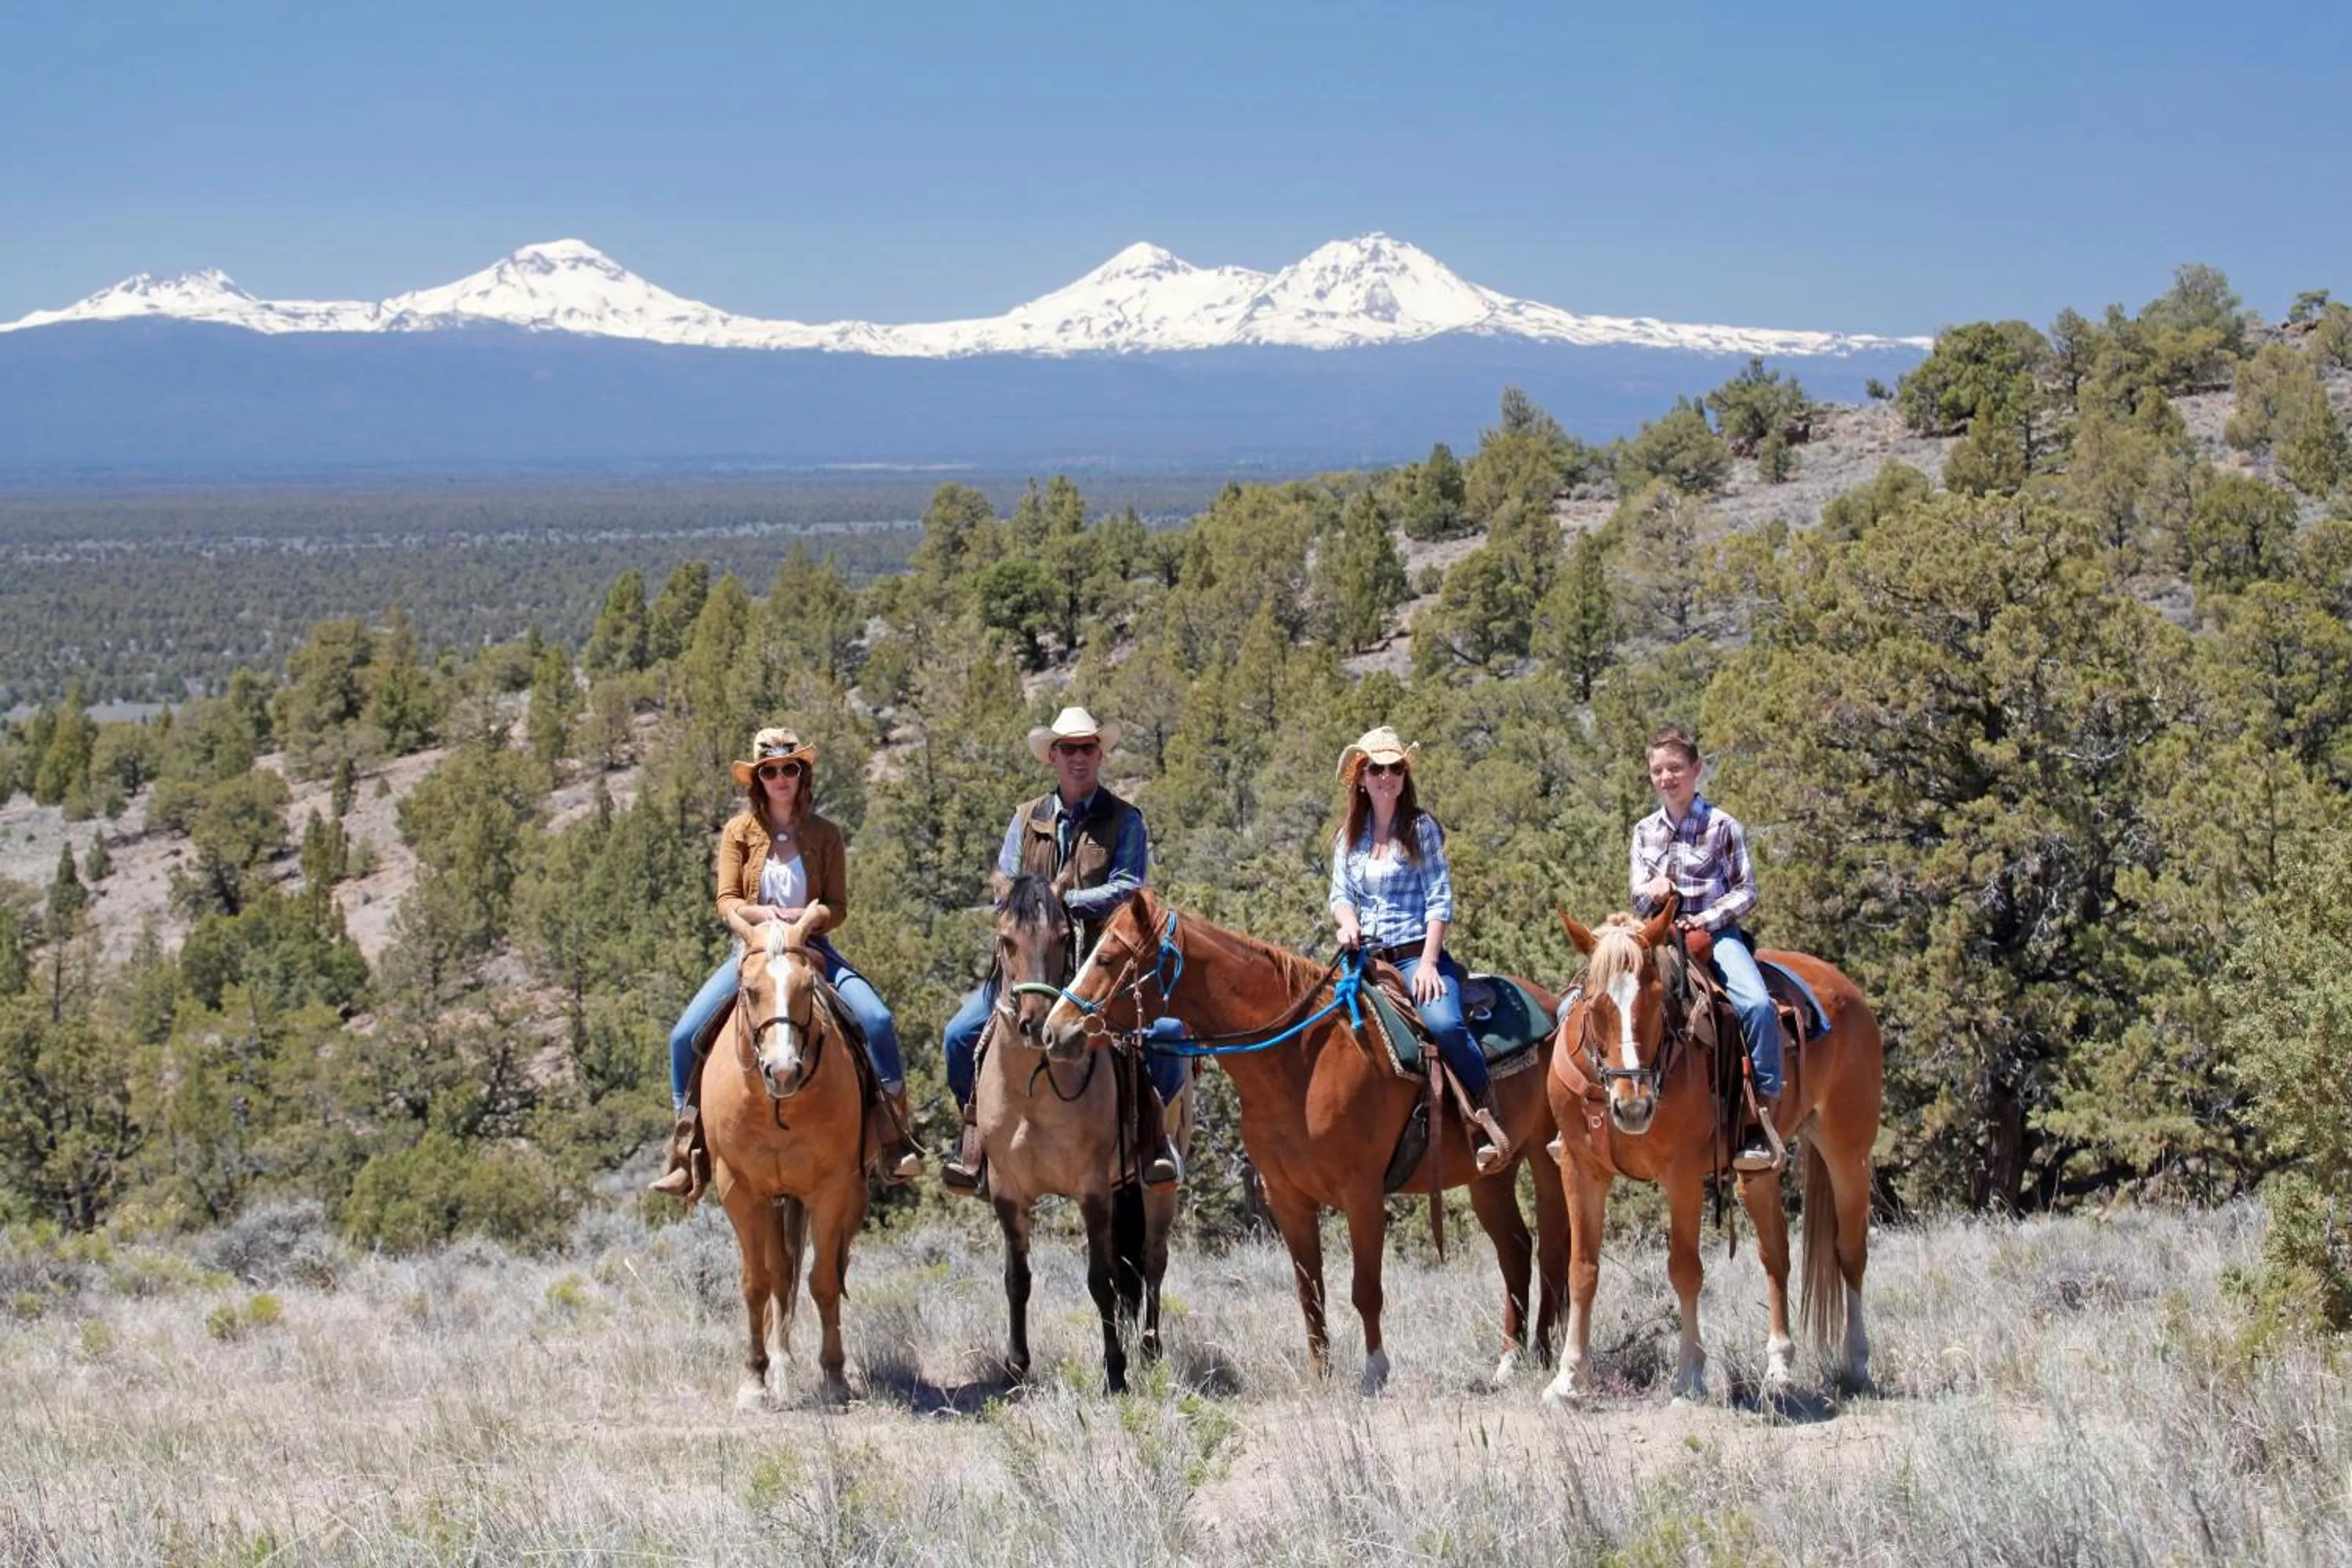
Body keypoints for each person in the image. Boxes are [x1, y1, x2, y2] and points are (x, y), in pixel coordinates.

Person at [651, 727, 921, 1196]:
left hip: (812, 948)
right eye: (770, 770)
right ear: (758, 779)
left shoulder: (826, 835)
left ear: (802, 774)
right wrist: (765, 919)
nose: (781, 777)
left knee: (876, 1020)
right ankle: (687, 1151)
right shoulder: (738, 832)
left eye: (789, 768)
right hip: (754, 953)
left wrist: (808, 918)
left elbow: (837, 906)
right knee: (683, 1037)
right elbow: (726, 901)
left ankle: (893, 1135)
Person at [938, 706, 1183, 1194]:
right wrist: (1034, 910)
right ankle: (975, 1139)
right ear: (1052, 756)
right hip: (1031, 967)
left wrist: (1066, 901)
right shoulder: (1025, 819)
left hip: (1102, 965)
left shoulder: (1124, 819)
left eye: (1087, 748)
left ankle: (1154, 1140)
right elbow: (1005, 887)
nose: (1078, 757)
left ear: (1100, 755)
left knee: (1166, 1035)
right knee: (960, 1036)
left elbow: (1130, 886)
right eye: (1068, 749)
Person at [1327, 726, 1511, 1175]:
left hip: (1413, 955)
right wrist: (1348, 924)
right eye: (1377, 769)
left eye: (1395, 769)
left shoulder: (1421, 828)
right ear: (1361, 777)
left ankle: (1486, 1120)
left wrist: (1429, 962)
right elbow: (1340, 894)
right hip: (1364, 959)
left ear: (1404, 776)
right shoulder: (1348, 836)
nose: (1387, 776)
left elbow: (1439, 899)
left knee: (1445, 1024)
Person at [1628, 725, 1780, 1171]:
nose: (1666, 777)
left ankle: (1761, 1113)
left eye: (1675, 768)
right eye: (1658, 770)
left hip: (1714, 937)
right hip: (1657, 936)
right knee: (1591, 998)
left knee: (1755, 1005)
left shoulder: (1721, 825)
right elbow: (1637, 895)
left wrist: (1707, 918)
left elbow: (1746, 890)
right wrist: (1652, 891)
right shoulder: (1644, 831)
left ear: (1696, 769)